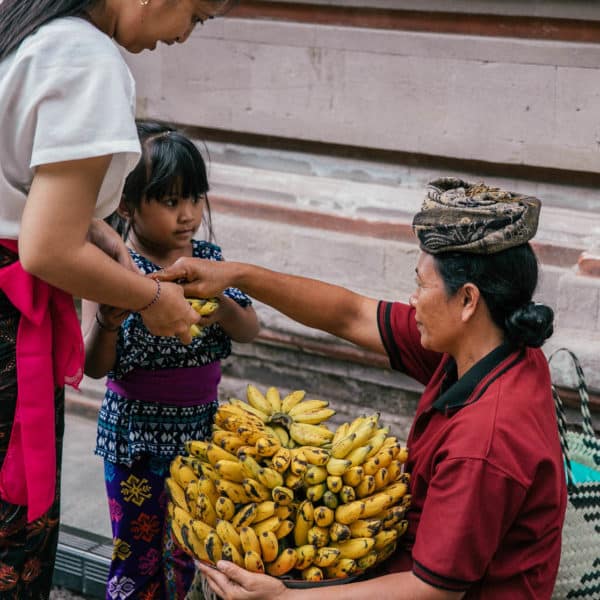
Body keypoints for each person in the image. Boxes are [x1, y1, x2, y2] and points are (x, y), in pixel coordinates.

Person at [157, 178, 567, 600]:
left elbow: (432, 590)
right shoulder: (488, 344)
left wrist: (282, 598)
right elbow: (351, 315)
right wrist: (235, 275)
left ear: (467, 300)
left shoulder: (484, 441)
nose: (412, 300)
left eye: (422, 286)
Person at [0, 1, 236, 597]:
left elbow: (25, 196)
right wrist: (152, 297)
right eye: (199, 16)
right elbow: (47, 247)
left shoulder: (32, 31)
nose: (184, 36)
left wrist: (101, 234)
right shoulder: (88, 57)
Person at [81, 121, 259, 599]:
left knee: (193, 550)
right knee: (136, 553)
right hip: (133, 437)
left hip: (201, 433)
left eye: (195, 198)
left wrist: (221, 305)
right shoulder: (113, 272)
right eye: (170, 200)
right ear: (125, 204)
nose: (188, 215)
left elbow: (250, 327)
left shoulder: (207, 260)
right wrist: (111, 321)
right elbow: (94, 365)